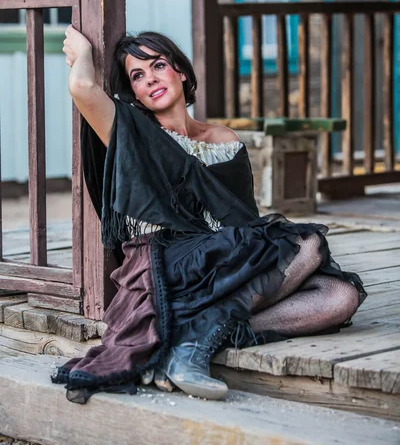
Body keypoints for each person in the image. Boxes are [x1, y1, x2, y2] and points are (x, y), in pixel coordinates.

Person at [52, 25, 366, 403]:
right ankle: (186, 341)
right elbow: (84, 89)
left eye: (158, 66)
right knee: (308, 243)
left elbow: (246, 222)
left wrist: (258, 264)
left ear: (181, 71)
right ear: (132, 91)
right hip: (165, 261)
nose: (150, 79)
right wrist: (81, 52)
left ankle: (187, 340)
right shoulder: (130, 130)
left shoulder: (225, 140)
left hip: (219, 262)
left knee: (339, 296)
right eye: (138, 75)